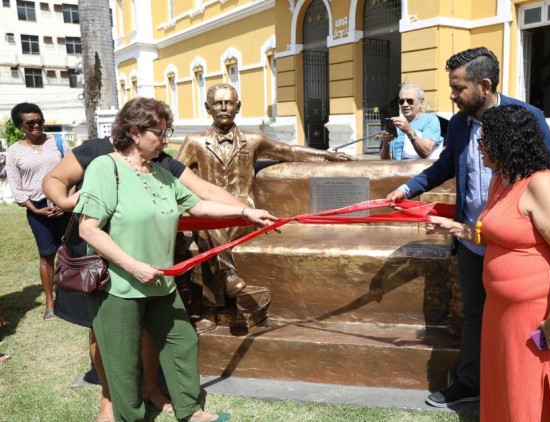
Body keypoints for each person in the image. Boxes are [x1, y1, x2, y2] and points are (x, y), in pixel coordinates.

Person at [74, 97, 276, 422]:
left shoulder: (161, 174)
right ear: (133, 131)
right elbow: (89, 229)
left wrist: (245, 211)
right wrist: (134, 266)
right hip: (119, 288)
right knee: (124, 365)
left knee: (182, 342)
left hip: (161, 284)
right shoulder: (105, 168)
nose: (166, 140)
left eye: (167, 132)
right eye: (160, 132)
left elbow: (198, 206)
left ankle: (191, 411)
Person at [386, 47, 550, 407]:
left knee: (517, 317)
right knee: (475, 315)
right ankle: (471, 383)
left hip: (516, 244)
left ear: (484, 85)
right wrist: (406, 189)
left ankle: (518, 386)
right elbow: (444, 165)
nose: (452, 95)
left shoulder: (525, 118)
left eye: (457, 87)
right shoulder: (462, 123)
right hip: (472, 239)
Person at [425, 105, 550, 421]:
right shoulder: (502, 180)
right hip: (502, 309)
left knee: (527, 390)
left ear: (508, 142)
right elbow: (496, 236)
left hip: (536, 312)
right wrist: (455, 228)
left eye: (487, 141)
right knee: (503, 385)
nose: (480, 148)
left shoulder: (542, 185)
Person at [176, 83, 355, 332]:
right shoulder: (194, 142)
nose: (224, 108)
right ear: (208, 108)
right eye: (218, 103)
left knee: (209, 230)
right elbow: (173, 175)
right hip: (210, 207)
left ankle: (211, 306)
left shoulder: (254, 140)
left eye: (229, 103)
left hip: (243, 208)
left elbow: (289, 151)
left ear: (238, 107)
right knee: (207, 227)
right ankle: (222, 289)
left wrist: (326, 155)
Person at [5, 102, 71, 321]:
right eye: (30, 122)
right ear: (20, 126)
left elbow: (74, 173)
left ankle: (75, 297)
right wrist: (36, 210)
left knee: (71, 251)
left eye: (39, 120)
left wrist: (65, 202)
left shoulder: (58, 142)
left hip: (64, 205)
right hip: (37, 209)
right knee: (46, 255)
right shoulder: (14, 152)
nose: (36, 125)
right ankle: (50, 301)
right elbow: (16, 186)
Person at [379, 84, 443, 160]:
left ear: (421, 102)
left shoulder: (430, 120)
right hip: (398, 170)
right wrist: (386, 144)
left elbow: (426, 152)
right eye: (401, 101)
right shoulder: (397, 123)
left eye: (410, 101)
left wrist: (409, 130)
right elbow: (385, 161)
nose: (405, 104)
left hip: (420, 171)